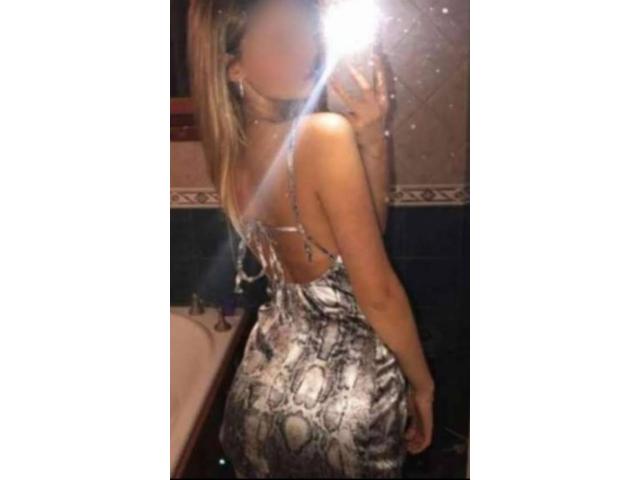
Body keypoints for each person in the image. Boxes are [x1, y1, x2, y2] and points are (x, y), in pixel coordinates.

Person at [187, 0, 435, 477]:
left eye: (305, 32)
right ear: (235, 68)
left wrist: (372, 140)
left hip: (260, 389)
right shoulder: (322, 136)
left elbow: (359, 243)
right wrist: (422, 385)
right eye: (282, 40)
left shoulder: (233, 156)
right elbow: (377, 293)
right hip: (343, 402)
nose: (307, 50)